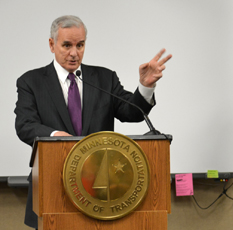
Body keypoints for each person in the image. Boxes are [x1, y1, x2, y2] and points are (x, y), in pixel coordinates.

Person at [14, 15, 172, 229]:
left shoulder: (104, 78)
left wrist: (145, 87)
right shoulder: (30, 82)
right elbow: (25, 124)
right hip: (52, 189)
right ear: (52, 45)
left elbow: (131, 112)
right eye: (67, 45)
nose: (74, 53)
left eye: (80, 45)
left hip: (101, 191)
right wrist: (54, 137)